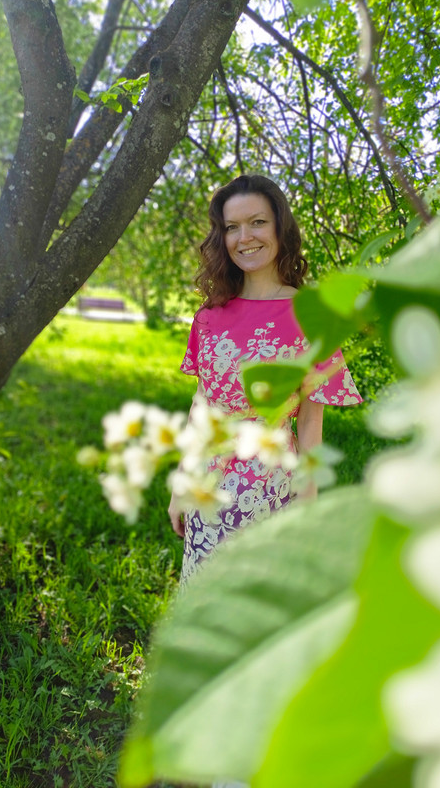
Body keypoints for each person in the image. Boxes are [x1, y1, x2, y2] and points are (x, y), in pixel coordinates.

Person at [168, 175, 362, 583]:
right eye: (231, 227)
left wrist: (306, 504)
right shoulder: (209, 317)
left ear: (280, 227)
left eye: (256, 222)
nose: (244, 237)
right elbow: (202, 404)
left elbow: (311, 422)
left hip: (270, 486)